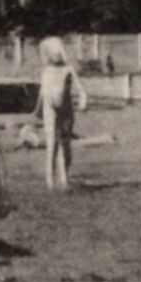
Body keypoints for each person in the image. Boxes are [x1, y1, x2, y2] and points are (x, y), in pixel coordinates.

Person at [37, 36, 88, 191]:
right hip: (50, 109)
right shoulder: (46, 71)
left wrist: (83, 99)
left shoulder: (68, 69)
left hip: (66, 110)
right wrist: (38, 110)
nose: (57, 56)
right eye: (54, 54)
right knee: (52, 143)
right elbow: (43, 93)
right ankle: (50, 180)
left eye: (59, 53)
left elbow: (81, 88)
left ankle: (64, 178)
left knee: (65, 145)